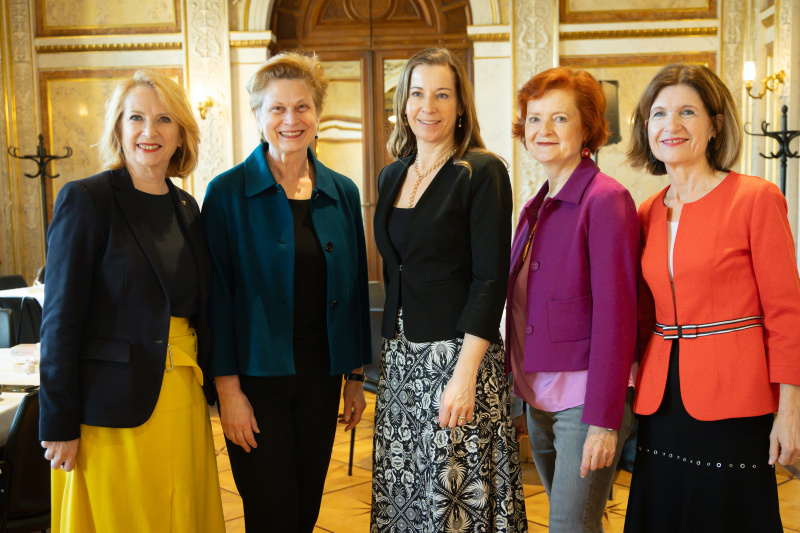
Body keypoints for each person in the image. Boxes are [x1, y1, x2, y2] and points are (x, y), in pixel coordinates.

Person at [39, 70, 225, 532]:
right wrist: (57, 421)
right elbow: (60, 319)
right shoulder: (87, 199)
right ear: (118, 128)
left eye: (164, 119)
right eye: (136, 117)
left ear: (181, 133)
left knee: (179, 513)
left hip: (180, 399)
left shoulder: (187, 208)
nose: (149, 131)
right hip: (110, 409)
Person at [624, 63, 800, 532]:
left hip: (736, 399)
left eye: (688, 112)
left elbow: (787, 313)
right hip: (662, 402)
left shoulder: (756, 198)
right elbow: (641, 313)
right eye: (659, 114)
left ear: (715, 123)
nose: (671, 126)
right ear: (646, 127)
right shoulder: (645, 213)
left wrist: (790, 411)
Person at [201, 52, 371, 532]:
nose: (290, 120)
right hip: (255, 383)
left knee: (305, 510)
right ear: (258, 117)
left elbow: (353, 285)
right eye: (276, 108)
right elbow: (216, 300)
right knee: (270, 514)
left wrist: (355, 376)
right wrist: (227, 391)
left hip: (321, 378)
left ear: (318, 116)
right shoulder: (226, 194)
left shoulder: (342, 191)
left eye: (302, 107)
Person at [371, 48, 528, 532]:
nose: (428, 106)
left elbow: (490, 279)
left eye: (442, 94)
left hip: (456, 358)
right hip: (400, 359)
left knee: (453, 496)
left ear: (461, 106)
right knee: (408, 489)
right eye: (417, 93)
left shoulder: (481, 172)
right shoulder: (394, 173)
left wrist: (463, 375)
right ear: (403, 103)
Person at [506, 67, 638, 532]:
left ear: (587, 127)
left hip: (584, 404)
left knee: (569, 527)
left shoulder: (606, 200)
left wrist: (604, 421)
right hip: (538, 399)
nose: (543, 131)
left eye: (559, 119)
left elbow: (617, 317)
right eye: (534, 119)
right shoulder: (536, 203)